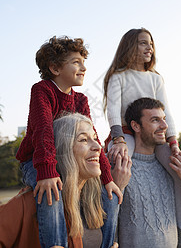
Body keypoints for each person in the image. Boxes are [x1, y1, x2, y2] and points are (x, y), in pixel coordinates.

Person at [16, 36, 122, 248]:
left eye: (84, 62)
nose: (83, 67)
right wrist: (47, 172)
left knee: (108, 194)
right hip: (36, 162)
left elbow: (93, 138)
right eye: (76, 62)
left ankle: (108, 244)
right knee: (52, 191)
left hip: (69, 163)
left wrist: (107, 176)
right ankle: (56, 244)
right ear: (55, 68)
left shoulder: (80, 100)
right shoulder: (42, 90)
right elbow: (43, 131)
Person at [1, 113, 130, 248]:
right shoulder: (31, 202)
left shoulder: (100, 202)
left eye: (95, 138)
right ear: (63, 150)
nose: (97, 147)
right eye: (83, 140)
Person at [103, 28, 181, 225]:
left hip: (155, 136)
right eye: (143, 43)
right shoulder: (118, 76)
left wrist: (173, 141)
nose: (150, 48)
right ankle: (110, 225)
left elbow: (167, 111)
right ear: (130, 47)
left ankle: (180, 228)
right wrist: (118, 139)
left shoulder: (156, 78)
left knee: (178, 168)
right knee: (119, 161)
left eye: (151, 43)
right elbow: (112, 109)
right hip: (127, 133)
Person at [117, 98, 181, 248]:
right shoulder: (121, 168)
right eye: (155, 120)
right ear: (136, 126)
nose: (164, 126)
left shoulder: (172, 166)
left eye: (164, 119)